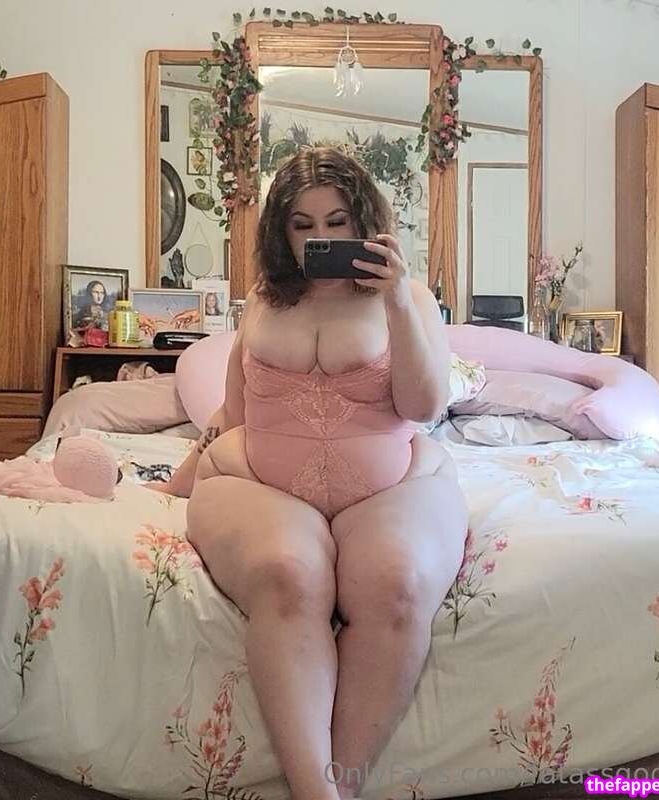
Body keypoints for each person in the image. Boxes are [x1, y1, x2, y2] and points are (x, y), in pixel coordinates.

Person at [150, 147, 469, 800]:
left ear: (365, 223)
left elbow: (424, 407)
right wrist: (172, 481)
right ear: (280, 231)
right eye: (302, 225)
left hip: (386, 489)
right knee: (287, 574)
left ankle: (336, 790)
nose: (320, 237)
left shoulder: (409, 298)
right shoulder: (264, 302)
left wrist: (397, 301)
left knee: (398, 584)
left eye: (336, 222)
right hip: (263, 486)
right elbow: (233, 414)